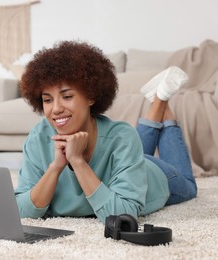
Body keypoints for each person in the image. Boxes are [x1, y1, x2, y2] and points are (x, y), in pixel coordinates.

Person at [14, 40, 197, 223]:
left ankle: (161, 101)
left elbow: (122, 216)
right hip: (127, 161)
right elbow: (21, 209)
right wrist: (55, 167)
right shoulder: (38, 137)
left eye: (67, 96)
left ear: (91, 96)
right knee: (128, 148)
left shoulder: (121, 137)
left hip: (154, 174)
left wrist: (77, 162)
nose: (55, 109)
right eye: (47, 100)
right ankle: (160, 99)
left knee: (189, 186)